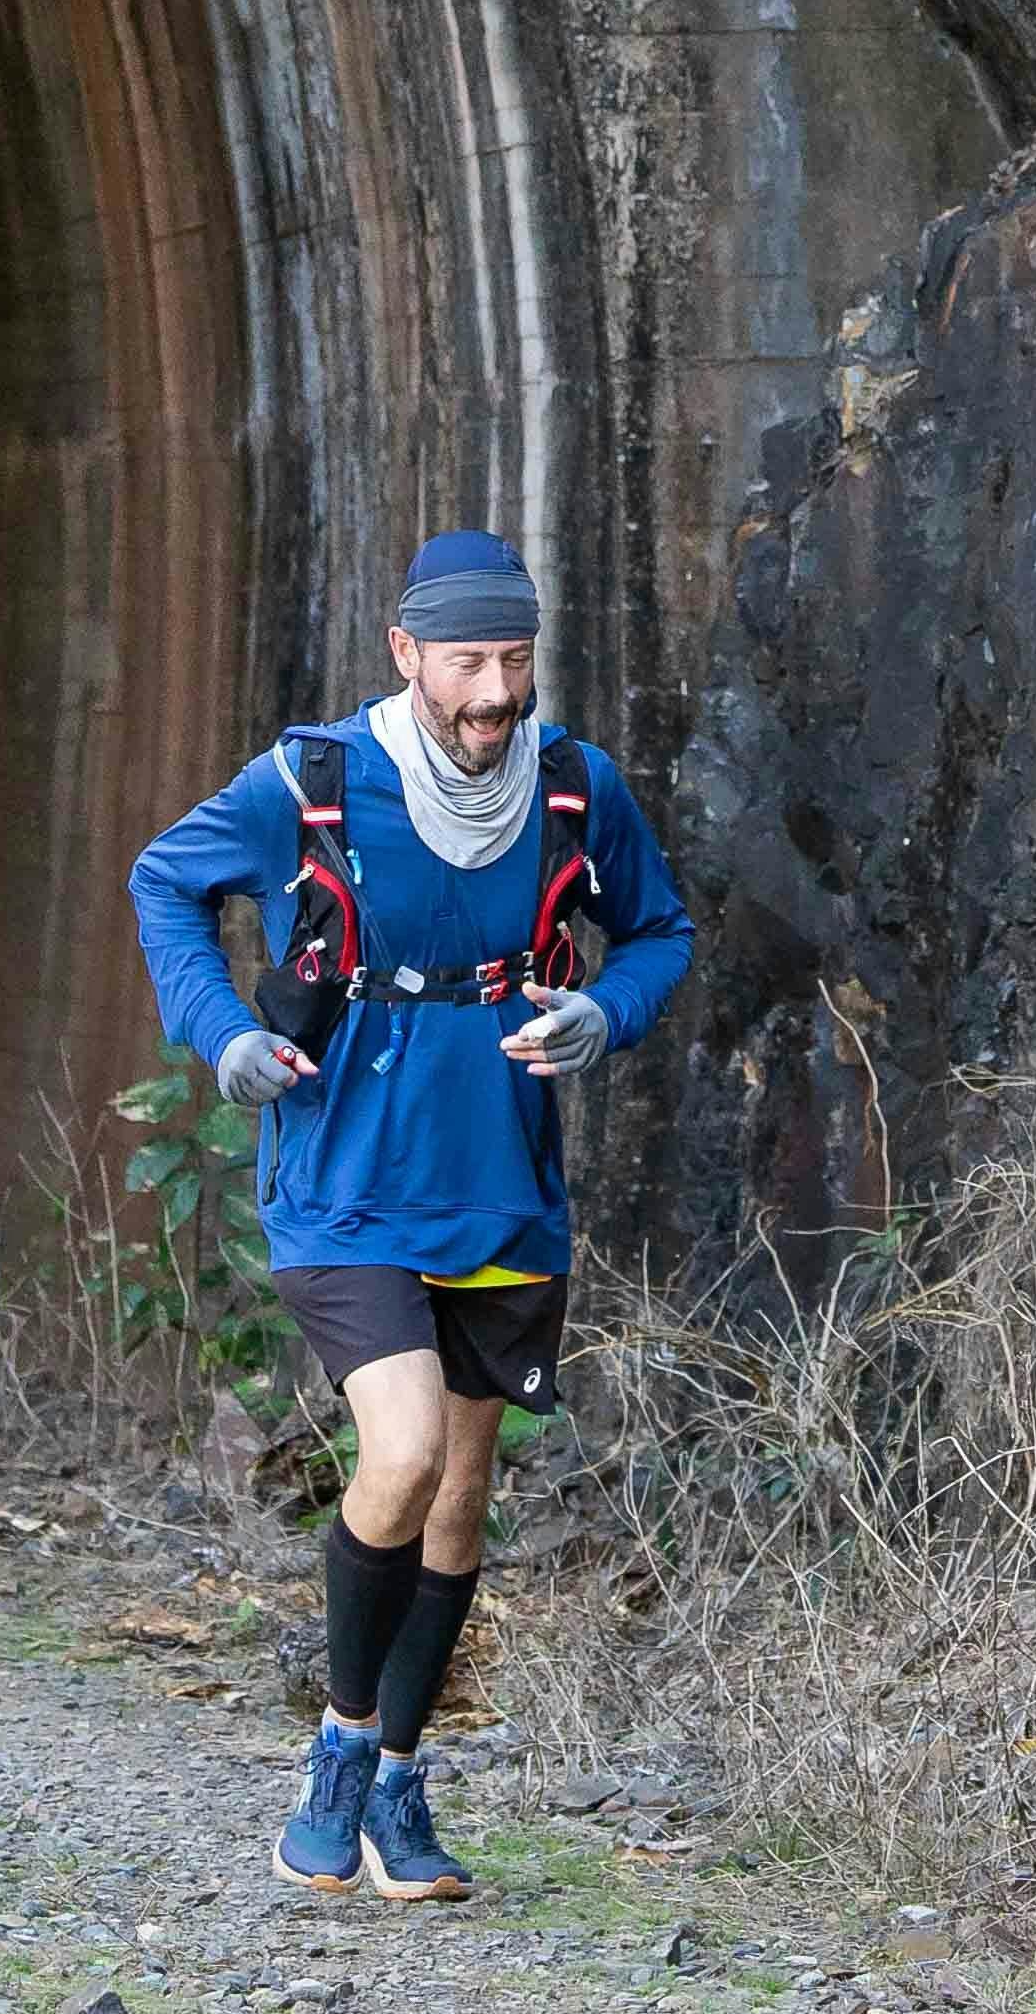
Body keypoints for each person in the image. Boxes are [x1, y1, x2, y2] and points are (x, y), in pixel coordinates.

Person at [123, 530, 686, 1901]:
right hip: (344, 1181)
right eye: (466, 661)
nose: (493, 691)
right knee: (408, 1448)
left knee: (467, 1492)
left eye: (514, 659)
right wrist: (223, 1036)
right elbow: (165, 887)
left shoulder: (572, 788)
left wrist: (603, 1012)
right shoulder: (314, 781)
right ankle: (339, 1743)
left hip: (501, 1181)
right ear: (406, 654)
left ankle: (401, 1789)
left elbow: (662, 931)